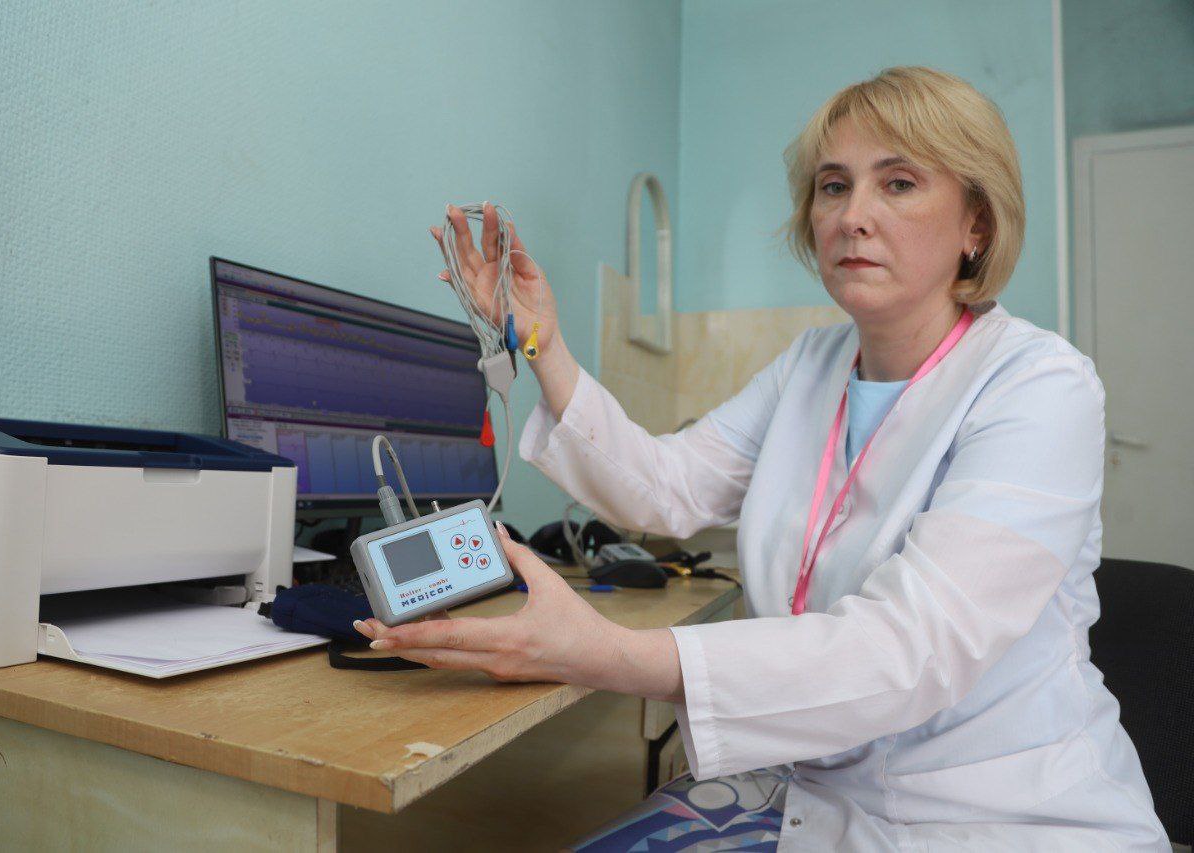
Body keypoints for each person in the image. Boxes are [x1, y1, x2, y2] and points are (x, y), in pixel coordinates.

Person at [354, 66, 1167, 850]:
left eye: (899, 182)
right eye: (833, 185)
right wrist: (542, 343)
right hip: (817, 791)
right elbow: (666, 488)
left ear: (976, 225)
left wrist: (606, 653)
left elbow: (910, 649)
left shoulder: (1039, 385)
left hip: (999, 815)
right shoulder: (810, 366)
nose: (853, 215)